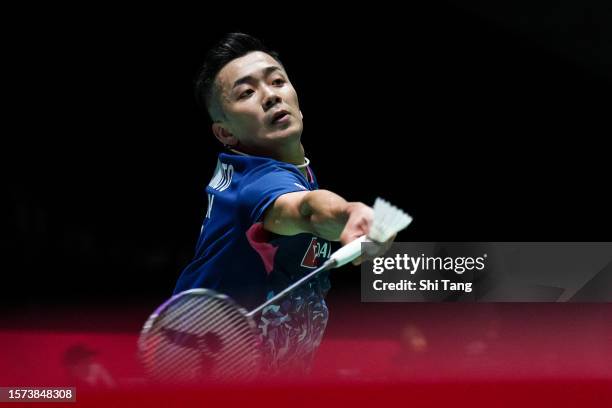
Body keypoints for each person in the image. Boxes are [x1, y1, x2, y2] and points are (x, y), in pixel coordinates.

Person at [174, 33, 393, 373]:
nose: (271, 96)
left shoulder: (291, 172)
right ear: (225, 134)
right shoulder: (258, 183)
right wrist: (349, 213)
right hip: (213, 379)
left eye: (277, 81)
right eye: (247, 92)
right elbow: (303, 209)